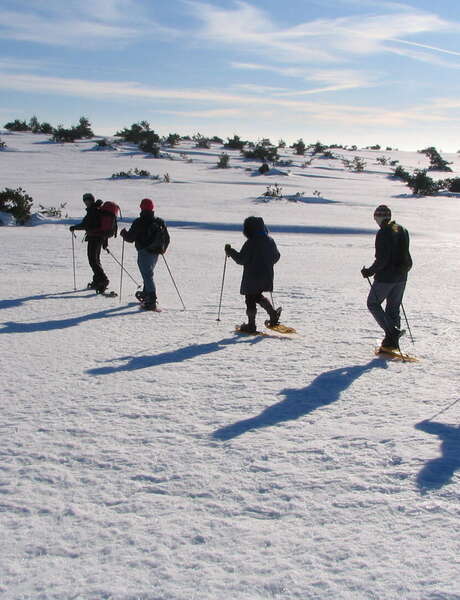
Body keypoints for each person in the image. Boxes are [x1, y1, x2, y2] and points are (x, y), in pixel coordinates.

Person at [361, 204, 412, 349]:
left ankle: (392, 333)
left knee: (373, 303)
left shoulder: (384, 232)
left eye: (376, 217)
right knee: (393, 308)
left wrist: (370, 271)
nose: (375, 220)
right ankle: (391, 341)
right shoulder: (401, 229)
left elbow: (382, 258)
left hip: (386, 277)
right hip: (402, 275)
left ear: (379, 217)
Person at [225, 216, 281, 333]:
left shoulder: (250, 243)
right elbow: (276, 256)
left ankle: (251, 325)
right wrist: (267, 263)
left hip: (252, 277)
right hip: (266, 275)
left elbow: (241, 260)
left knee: (250, 298)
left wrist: (230, 251)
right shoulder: (270, 241)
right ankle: (273, 314)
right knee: (257, 296)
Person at [120, 198, 170, 311]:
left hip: (144, 251)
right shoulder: (159, 221)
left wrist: (123, 234)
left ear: (141, 208)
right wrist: (163, 249)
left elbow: (130, 238)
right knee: (148, 273)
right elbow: (167, 238)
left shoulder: (139, 221)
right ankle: (146, 293)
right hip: (156, 252)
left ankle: (151, 300)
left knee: (147, 275)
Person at [69, 193, 110, 293]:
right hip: (98, 238)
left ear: (92, 200)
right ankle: (97, 280)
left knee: (93, 260)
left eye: (88, 200)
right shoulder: (97, 210)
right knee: (95, 259)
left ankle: (103, 280)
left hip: (94, 238)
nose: (86, 202)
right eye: (85, 201)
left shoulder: (93, 211)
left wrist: (74, 227)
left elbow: (85, 224)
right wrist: (104, 242)